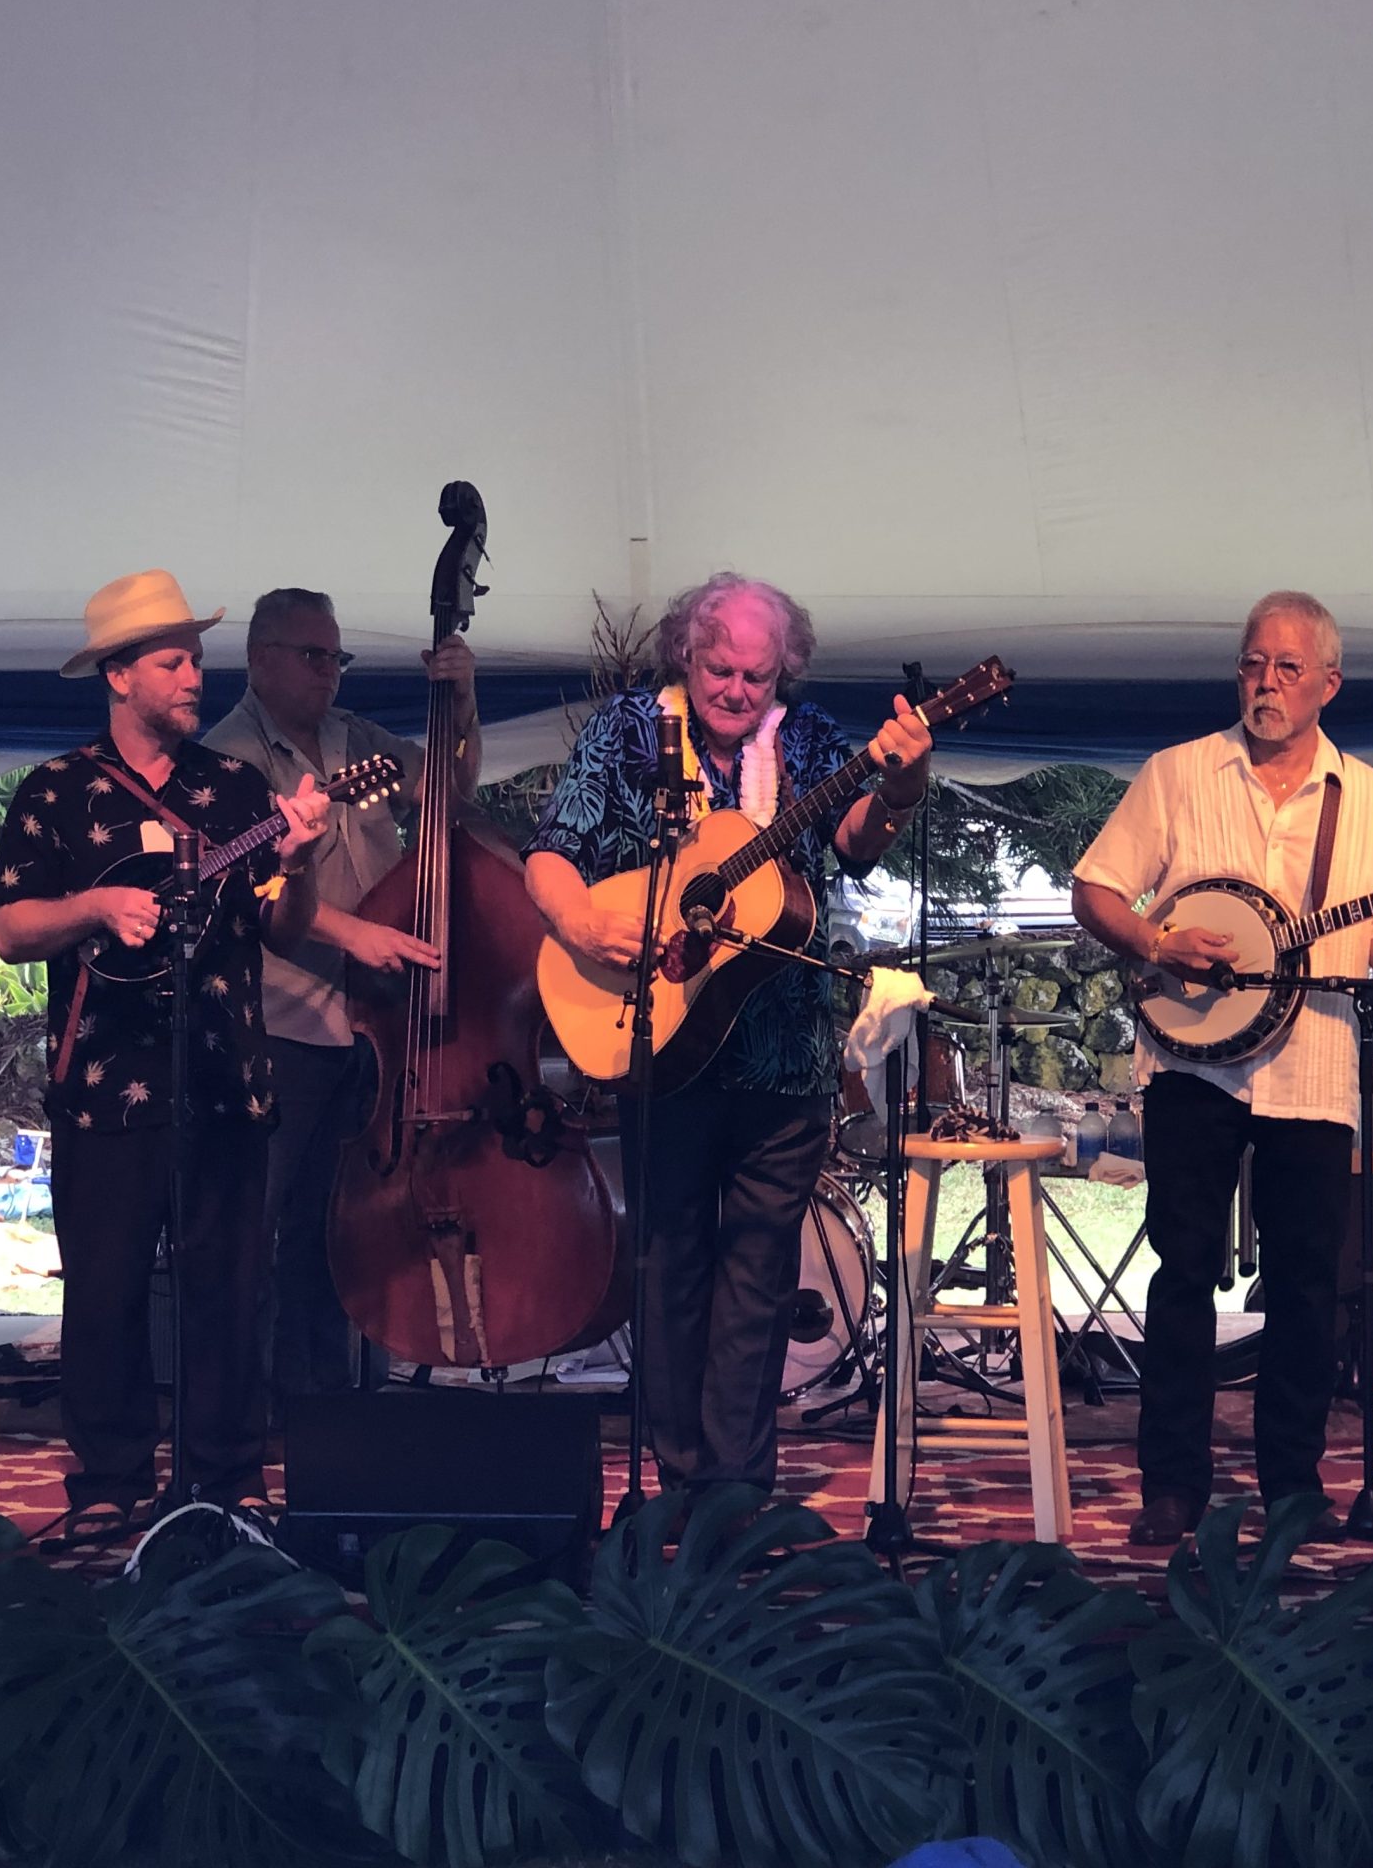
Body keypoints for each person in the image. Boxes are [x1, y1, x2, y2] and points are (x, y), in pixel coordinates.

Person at [1069, 590, 1373, 1547]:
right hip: (1191, 1060)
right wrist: (1157, 940)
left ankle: (1291, 1484)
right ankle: (1172, 1483)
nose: (1267, 682)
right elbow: (1095, 889)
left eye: (1289, 667)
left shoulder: (1368, 799)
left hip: (1314, 1065)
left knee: (1303, 1281)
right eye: (1254, 663)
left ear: (1329, 683)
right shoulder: (1178, 774)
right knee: (1181, 1271)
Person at [522, 573, 931, 1494]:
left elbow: (858, 841)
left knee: (755, 1284)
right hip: (655, 1043)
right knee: (668, 1265)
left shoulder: (814, 741)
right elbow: (549, 855)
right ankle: (676, 1479)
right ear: (686, 655)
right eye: (720, 670)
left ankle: (737, 1492)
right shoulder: (629, 732)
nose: (738, 691)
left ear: (782, 670)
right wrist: (582, 924)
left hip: (781, 1064)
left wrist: (902, 784)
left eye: (757, 674)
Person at [0, 571, 329, 1531]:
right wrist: (95, 906)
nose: (193, 677)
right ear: (118, 673)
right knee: (104, 1294)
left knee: (230, 1290)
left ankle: (226, 1483)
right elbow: (12, 930)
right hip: (103, 1084)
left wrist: (298, 864)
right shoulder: (55, 791)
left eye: (195, 659)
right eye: (172, 661)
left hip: (227, 1079)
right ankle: (108, 1487)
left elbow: (287, 932)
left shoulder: (235, 791)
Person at [201, 587, 478, 1406]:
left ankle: (330, 1404)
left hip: (372, 1024)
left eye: (338, 656)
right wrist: (352, 933)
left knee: (341, 1225)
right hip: (281, 1022)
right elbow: (237, 888)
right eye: (313, 656)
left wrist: (460, 702)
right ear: (260, 660)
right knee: (263, 1225)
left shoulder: (355, 739)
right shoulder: (228, 760)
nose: (330, 672)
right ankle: (250, 1414)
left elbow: (449, 797)